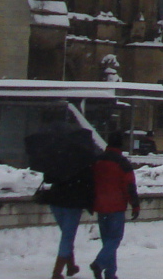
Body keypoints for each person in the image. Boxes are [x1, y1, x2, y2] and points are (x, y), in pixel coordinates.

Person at [28, 112, 99, 279]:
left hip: (56, 201)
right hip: (72, 204)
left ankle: (70, 266)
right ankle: (56, 272)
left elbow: (48, 178)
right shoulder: (83, 162)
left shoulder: (57, 159)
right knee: (67, 237)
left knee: (66, 235)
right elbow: (89, 184)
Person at [89, 142, 140, 279]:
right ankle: (99, 263)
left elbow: (91, 182)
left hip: (101, 206)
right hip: (116, 206)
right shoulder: (122, 163)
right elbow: (129, 186)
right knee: (115, 239)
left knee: (107, 241)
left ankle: (110, 274)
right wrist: (135, 205)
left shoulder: (98, 160)